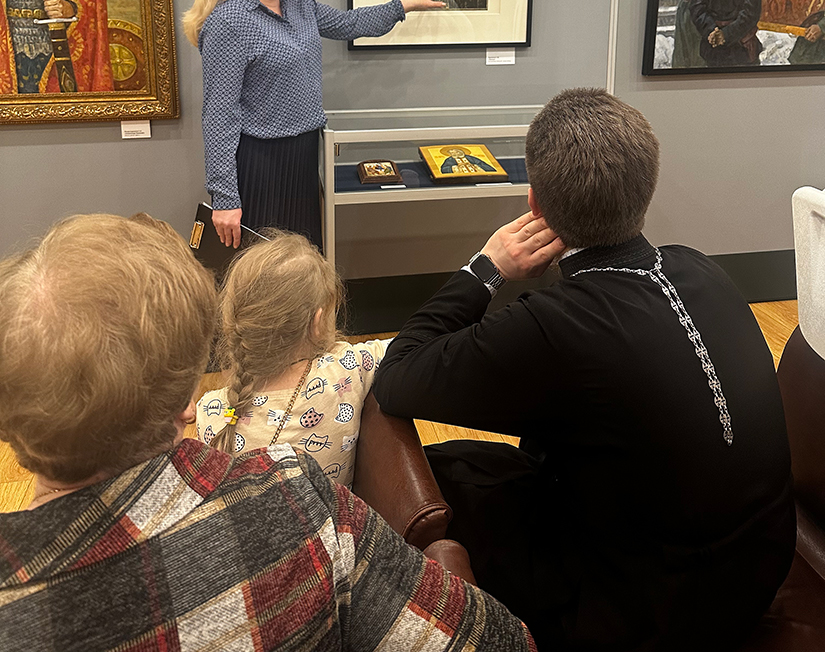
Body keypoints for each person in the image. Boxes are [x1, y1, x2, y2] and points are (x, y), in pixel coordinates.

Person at [374, 88, 795, 651]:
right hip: (756, 577)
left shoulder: (556, 325)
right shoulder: (703, 269)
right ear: (646, 189)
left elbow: (397, 376)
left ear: (535, 202)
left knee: (446, 470)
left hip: (647, 619)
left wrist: (485, 269)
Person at [0, 212, 537, 652]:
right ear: (184, 402)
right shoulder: (294, 496)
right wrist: (485, 272)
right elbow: (498, 640)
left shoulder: (220, 414)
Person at [182, 0, 443, 249]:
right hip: (261, 163)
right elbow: (219, 115)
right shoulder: (229, 23)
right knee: (263, 267)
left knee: (303, 258)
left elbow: (348, 24)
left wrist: (404, 6)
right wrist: (225, 197)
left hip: (303, 154)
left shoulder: (297, 3)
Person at [197, 229, 390, 486]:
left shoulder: (210, 412)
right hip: (336, 512)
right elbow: (403, 345)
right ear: (317, 322)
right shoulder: (345, 368)